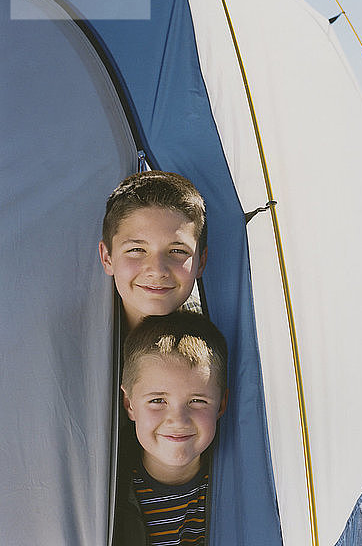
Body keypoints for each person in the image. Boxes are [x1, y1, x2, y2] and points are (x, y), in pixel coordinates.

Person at [113, 311, 228, 545]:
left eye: (197, 401)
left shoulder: (235, 483)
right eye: (157, 401)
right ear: (129, 404)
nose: (178, 419)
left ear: (221, 405)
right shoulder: (110, 489)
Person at [99, 171, 208, 329]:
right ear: (107, 258)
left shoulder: (219, 335)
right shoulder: (67, 337)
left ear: (200, 263)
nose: (157, 271)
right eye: (137, 249)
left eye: (177, 251)